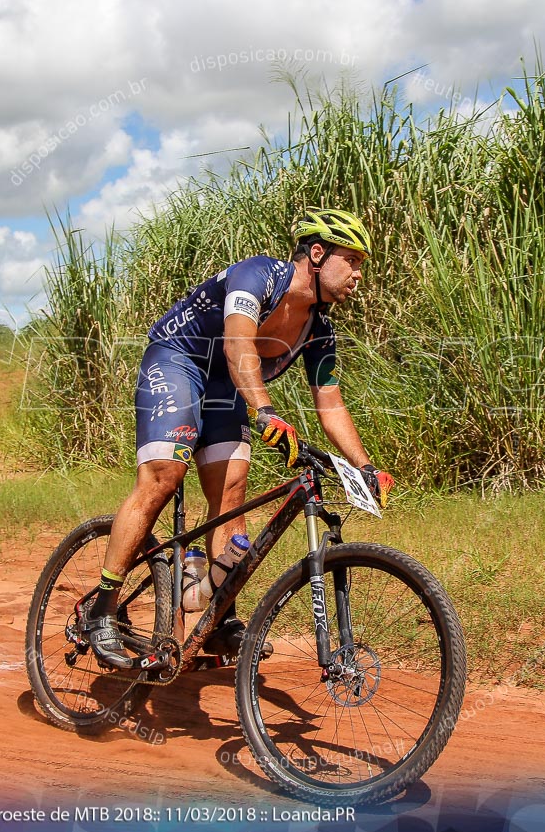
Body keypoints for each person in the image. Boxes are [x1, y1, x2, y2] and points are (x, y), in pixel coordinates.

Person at [86, 207, 395, 669]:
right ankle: (103, 609)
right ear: (316, 254)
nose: (357, 275)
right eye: (351, 261)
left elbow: (329, 402)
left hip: (224, 386)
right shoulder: (259, 276)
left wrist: (366, 466)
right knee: (164, 476)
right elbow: (237, 345)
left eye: (361, 266)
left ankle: (217, 614)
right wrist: (266, 412)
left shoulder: (319, 331)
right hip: (179, 360)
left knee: (231, 494)